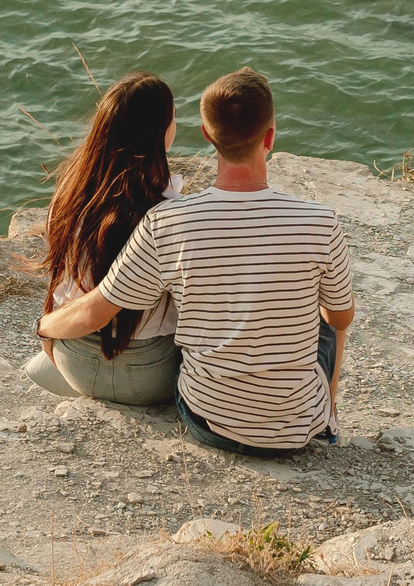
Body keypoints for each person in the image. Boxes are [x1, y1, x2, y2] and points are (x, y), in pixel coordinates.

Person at [36, 67, 355, 457]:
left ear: (207, 135)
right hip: (292, 429)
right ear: (270, 137)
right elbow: (340, 318)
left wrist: (45, 327)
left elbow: (98, 309)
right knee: (330, 318)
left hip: (205, 419)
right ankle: (328, 422)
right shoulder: (321, 221)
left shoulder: (162, 220)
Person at [22, 72, 183, 406]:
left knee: (37, 368)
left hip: (73, 359)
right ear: (159, 133)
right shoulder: (171, 213)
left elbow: (61, 284)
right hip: (149, 374)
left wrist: (45, 330)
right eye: (173, 118)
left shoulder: (69, 196)